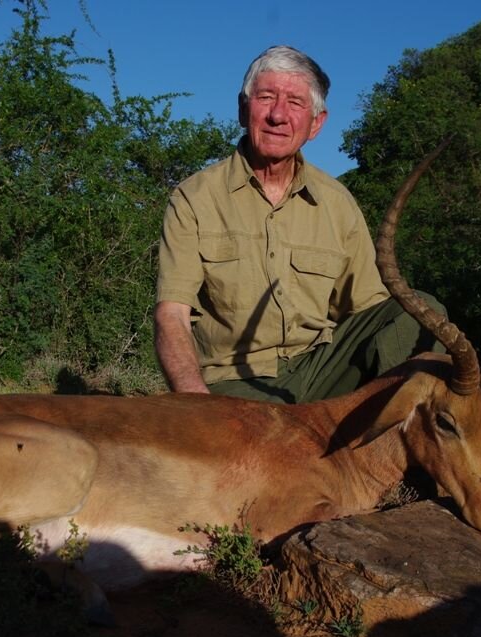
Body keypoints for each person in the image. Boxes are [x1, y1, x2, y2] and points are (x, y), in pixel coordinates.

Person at [154, 45, 444, 403]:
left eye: (295, 102)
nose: (278, 115)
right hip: (237, 383)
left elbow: (370, 310)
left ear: (316, 123)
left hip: (322, 369)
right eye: (265, 97)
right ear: (243, 110)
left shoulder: (337, 202)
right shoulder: (194, 197)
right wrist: (197, 405)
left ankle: (406, 439)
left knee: (416, 310)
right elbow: (172, 315)